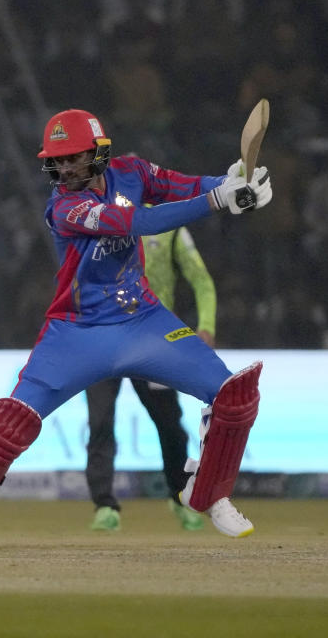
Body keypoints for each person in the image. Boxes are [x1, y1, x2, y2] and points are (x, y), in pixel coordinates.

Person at [0, 109, 272, 554]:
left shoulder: (132, 172)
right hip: (76, 334)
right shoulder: (64, 207)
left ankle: (207, 495)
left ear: (98, 152)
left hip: (142, 320)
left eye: (74, 157)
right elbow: (137, 223)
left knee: (234, 394)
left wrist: (229, 185)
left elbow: (180, 185)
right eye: (59, 160)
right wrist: (219, 200)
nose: (66, 168)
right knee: (7, 424)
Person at [85, 226, 216, 532]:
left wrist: (206, 325)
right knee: (100, 421)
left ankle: (178, 495)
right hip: (103, 341)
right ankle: (104, 506)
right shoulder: (100, 220)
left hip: (153, 344)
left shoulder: (170, 226)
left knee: (170, 425)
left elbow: (201, 280)